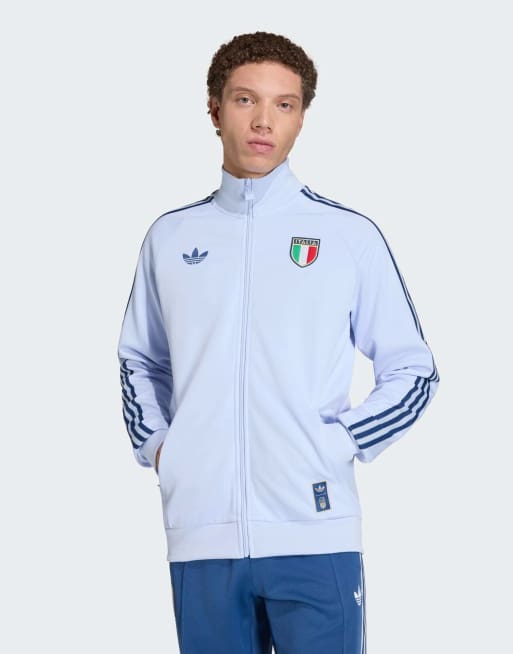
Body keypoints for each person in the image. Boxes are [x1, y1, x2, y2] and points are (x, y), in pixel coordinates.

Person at [117, 30, 440, 654]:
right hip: (201, 535)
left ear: (300, 118)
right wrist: (162, 449)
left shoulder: (347, 236)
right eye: (246, 100)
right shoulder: (170, 238)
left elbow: (414, 369)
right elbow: (140, 359)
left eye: (284, 104)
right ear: (215, 110)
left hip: (315, 533)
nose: (264, 120)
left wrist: (339, 442)